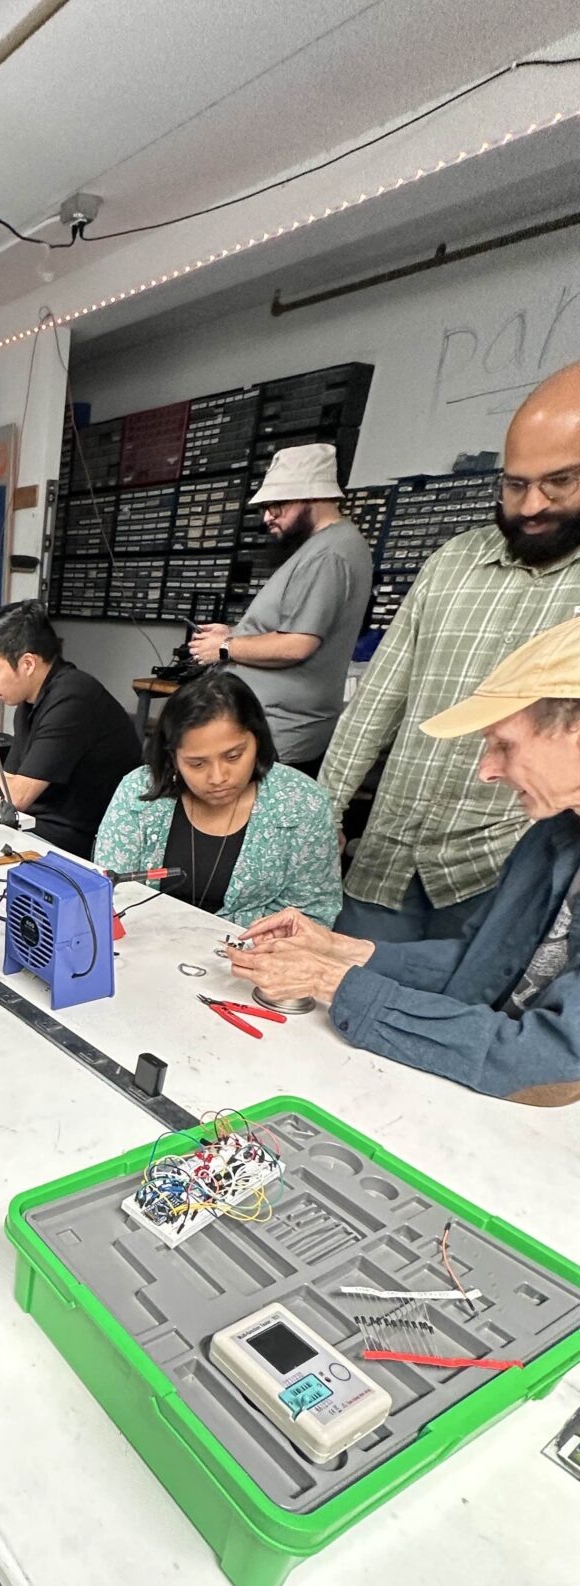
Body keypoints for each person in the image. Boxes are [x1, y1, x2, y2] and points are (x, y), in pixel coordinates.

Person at [228, 616, 580, 1104]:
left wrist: (332, 982)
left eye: (504, 745)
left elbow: (551, 1063)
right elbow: (477, 963)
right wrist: (339, 949)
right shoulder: (553, 833)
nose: (487, 771)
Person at [321, 361, 580, 942]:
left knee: (467, 1010)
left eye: (558, 482)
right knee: (338, 995)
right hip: (392, 850)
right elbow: (377, 700)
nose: (532, 505)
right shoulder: (453, 562)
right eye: (514, 484)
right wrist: (327, 809)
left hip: (503, 867)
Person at [93, 670, 340, 926]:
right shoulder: (138, 792)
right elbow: (108, 892)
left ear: (258, 740)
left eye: (233, 756)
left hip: (254, 956)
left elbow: (313, 914)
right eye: (197, 763)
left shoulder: (301, 802)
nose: (218, 777)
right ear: (172, 759)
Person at [188, 443, 373, 774]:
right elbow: (291, 626)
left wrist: (226, 647)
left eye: (276, 506)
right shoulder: (321, 549)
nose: (267, 517)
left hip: (281, 737)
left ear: (312, 497)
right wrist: (234, 632)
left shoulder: (330, 555)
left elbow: (297, 644)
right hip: (260, 727)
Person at [0, 601, 140, 856]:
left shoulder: (73, 699)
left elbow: (16, 797)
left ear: (28, 664)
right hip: (39, 826)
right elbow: (10, 783)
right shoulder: (30, 703)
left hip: (75, 842)